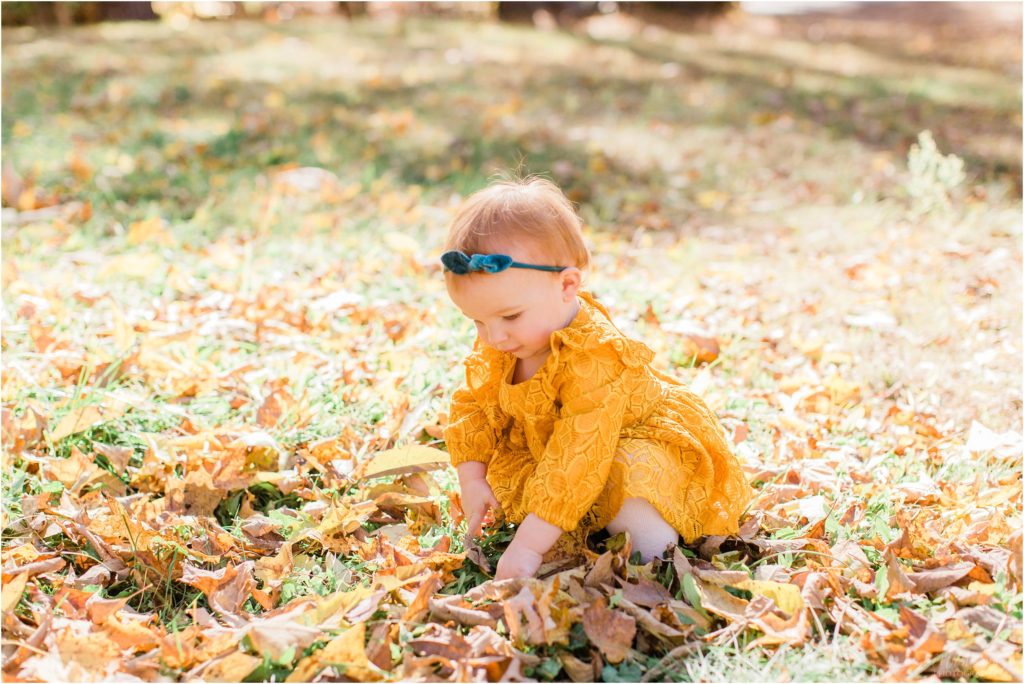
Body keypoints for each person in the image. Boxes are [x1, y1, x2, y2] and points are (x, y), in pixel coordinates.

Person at [441, 176, 752, 580]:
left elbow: (580, 452)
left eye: (510, 317)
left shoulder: (595, 355)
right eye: (477, 320)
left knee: (636, 497)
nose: (493, 336)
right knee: (532, 486)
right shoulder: (504, 340)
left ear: (567, 285)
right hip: (559, 452)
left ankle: (654, 553)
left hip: (627, 439)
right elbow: (474, 403)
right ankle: (576, 519)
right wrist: (472, 476)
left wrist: (528, 548)